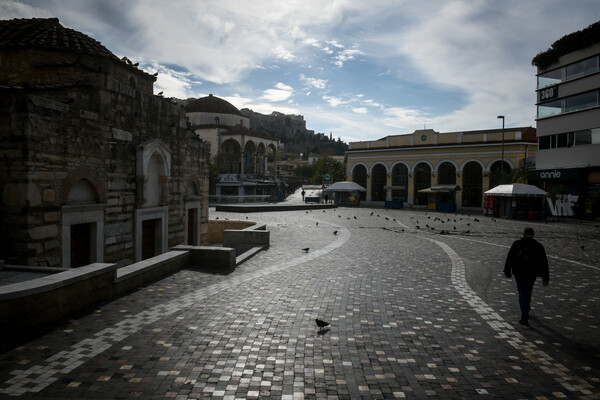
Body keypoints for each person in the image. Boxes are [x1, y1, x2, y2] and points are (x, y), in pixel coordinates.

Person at [504, 227, 549, 327]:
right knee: (528, 291)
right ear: (533, 235)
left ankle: (525, 315)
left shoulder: (517, 244)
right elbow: (544, 262)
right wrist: (545, 277)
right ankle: (526, 309)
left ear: (523, 234)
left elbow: (510, 257)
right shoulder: (538, 246)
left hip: (519, 272)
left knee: (522, 292)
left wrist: (507, 270)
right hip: (532, 273)